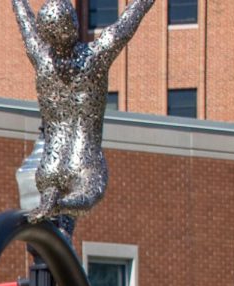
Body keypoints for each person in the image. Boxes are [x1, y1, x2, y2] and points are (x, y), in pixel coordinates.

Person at [10, 0, 156, 223]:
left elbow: (25, 22)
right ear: (74, 24)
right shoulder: (94, 57)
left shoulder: (41, 59)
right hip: (83, 159)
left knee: (61, 222)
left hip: (50, 164)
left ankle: (54, 202)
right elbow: (127, 22)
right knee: (89, 192)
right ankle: (62, 204)